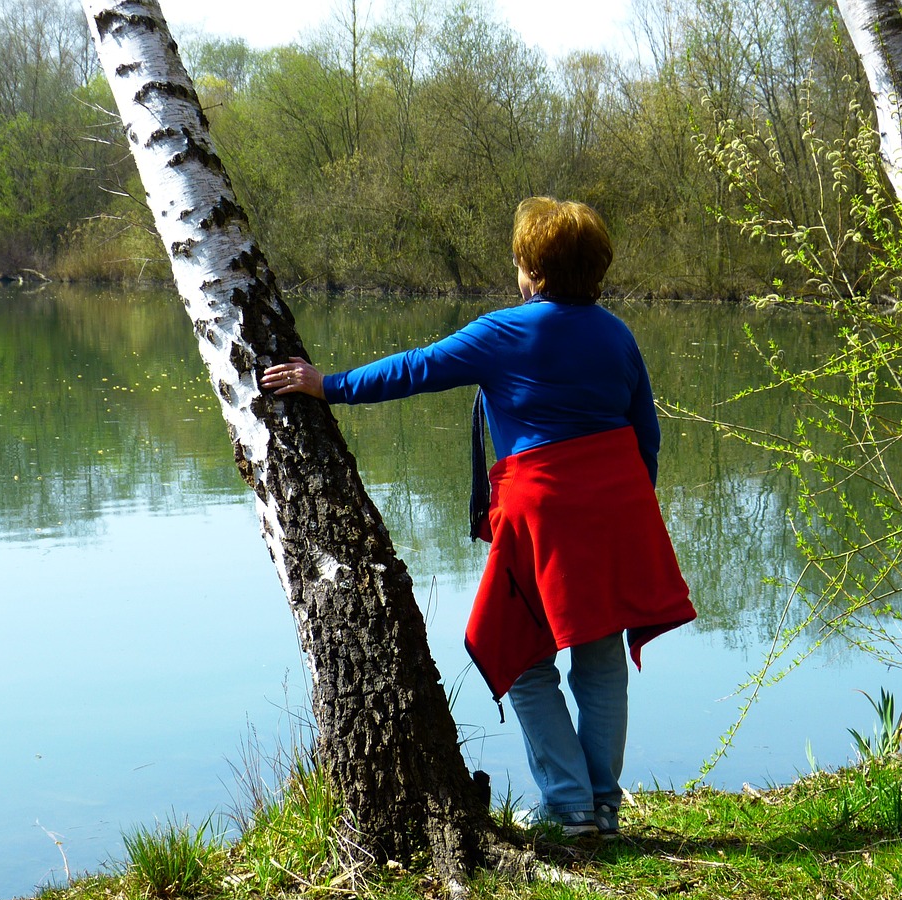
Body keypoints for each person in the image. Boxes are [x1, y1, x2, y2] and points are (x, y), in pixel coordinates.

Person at [261, 197, 696, 838]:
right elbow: (646, 436)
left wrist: (327, 385)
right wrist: (629, 511)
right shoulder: (617, 334)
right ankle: (602, 805)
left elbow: (415, 369)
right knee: (599, 655)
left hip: (541, 511)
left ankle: (570, 805)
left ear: (532, 268)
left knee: (516, 652)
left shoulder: (503, 332)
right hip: (617, 507)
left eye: (520, 259)